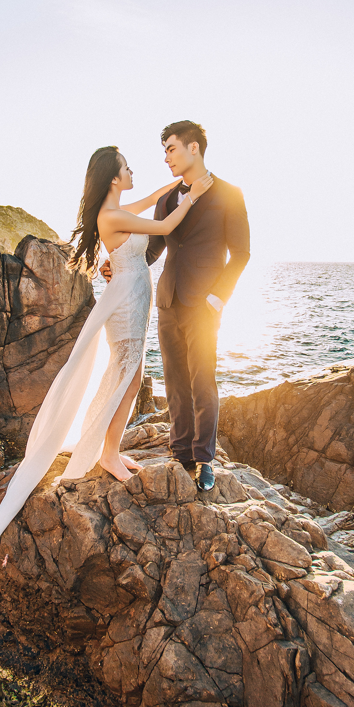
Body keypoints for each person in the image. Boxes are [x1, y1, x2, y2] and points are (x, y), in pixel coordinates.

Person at [0, 145, 212, 607]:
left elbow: (153, 200)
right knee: (125, 374)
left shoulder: (117, 208)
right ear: (113, 176)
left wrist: (181, 183)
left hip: (133, 294)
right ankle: (107, 453)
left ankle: (109, 449)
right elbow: (163, 227)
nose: (133, 171)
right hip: (127, 300)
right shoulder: (111, 216)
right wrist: (193, 197)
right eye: (127, 167)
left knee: (130, 375)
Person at [102, 121, 250, 491]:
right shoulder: (168, 199)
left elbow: (241, 254)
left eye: (170, 148)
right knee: (175, 381)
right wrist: (118, 261)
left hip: (205, 304)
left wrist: (217, 298)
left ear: (193, 147)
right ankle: (180, 451)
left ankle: (204, 459)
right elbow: (155, 248)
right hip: (167, 300)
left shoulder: (230, 194)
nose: (166, 157)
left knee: (203, 380)